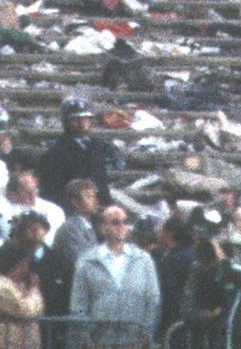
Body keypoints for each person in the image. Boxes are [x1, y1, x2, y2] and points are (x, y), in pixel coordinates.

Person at [72, 205, 162, 349]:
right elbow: (78, 304)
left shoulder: (143, 259)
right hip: (100, 341)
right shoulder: (87, 261)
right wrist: (87, 339)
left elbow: (153, 299)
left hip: (135, 341)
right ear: (103, 227)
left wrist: (146, 335)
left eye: (125, 222)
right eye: (115, 222)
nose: (121, 226)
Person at [41, 99, 118, 209]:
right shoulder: (55, 152)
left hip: (96, 206)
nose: (82, 123)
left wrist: (106, 205)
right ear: (66, 122)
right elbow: (51, 190)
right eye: (76, 119)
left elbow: (101, 181)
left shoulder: (97, 146)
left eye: (85, 119)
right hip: (71, 208)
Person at [43, 179, 101, 315]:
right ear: (75, 202)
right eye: (89, 196)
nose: (95, 201)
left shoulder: (90, 227)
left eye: (94, 196)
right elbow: (82, 261)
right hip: (72, 294)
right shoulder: (71, 228)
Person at [0, 240, 47, 349]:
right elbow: (25, 309)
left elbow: (39, 310)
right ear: (20, 263)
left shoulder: (21, 284)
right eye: (26, 263)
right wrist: (34, 289)